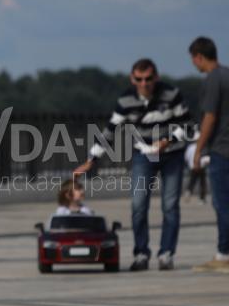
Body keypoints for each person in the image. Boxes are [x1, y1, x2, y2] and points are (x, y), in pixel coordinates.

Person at [74, 58, 191, 271]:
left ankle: (166, 253)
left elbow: (188, 125)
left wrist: (168, 141)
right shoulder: (126, 100)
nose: (144, 84)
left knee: (170, 206)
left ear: (156, 77)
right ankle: (141, 254)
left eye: (148, 79)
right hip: (143, 155)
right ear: (132, 79)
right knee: (138, 205)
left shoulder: (171, 94)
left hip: (171, 154)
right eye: (139, 79)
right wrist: (92, 159)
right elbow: (111, 130)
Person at [188, 36, 229, 272]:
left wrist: (198, 150)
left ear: (199, 56)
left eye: (194, 60)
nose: (195, 65)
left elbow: (210, 117)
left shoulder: (212, 80)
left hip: (221, 149)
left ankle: (223, 254)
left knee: (222, 203)